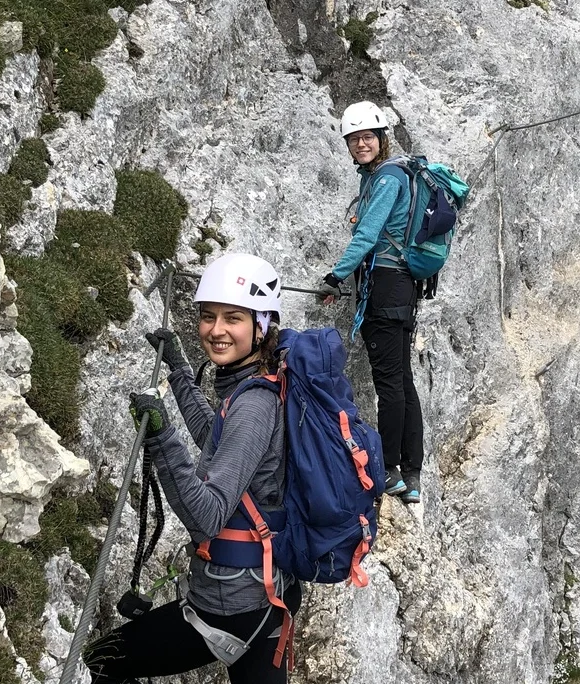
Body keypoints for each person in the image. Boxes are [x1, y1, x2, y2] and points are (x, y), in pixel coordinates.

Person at [85, 253, 300, 684]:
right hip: (268, 596)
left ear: (261, 326)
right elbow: (216, 439)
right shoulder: (257, 385)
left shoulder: (254, 405)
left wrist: (162, 438)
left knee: (102, 660)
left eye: (233, 318)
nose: (216, 330)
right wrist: (181, 372)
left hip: (232, 605)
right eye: (208, 316)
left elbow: (207, 516)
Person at [316, 100, 424, 505]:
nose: (361, 144)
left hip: (386, 287)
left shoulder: (386, 179)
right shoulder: (389, 175)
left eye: (368, 137)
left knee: (389, 382)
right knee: (403, 379)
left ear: (382, 139)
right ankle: (411, 473)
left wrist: (334, 277)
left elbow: (367, 236)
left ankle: (390, 468)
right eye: (354, 139)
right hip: (403, 286)